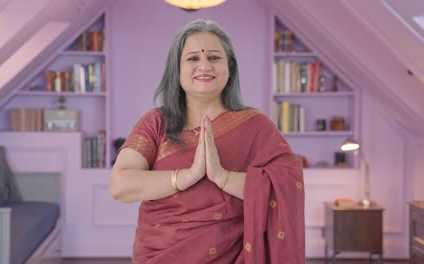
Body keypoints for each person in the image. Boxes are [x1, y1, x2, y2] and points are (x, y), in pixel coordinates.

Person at [110, 19, 305, 263]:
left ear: (230, 67)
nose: (204, 66)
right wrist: (187, 176)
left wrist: (221, 176)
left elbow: (285, 188)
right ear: (177, 69)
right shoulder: (156, 123)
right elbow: (120, 185)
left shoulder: (256, 125)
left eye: (214, 57)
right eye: (193, 58)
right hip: (160, 254)